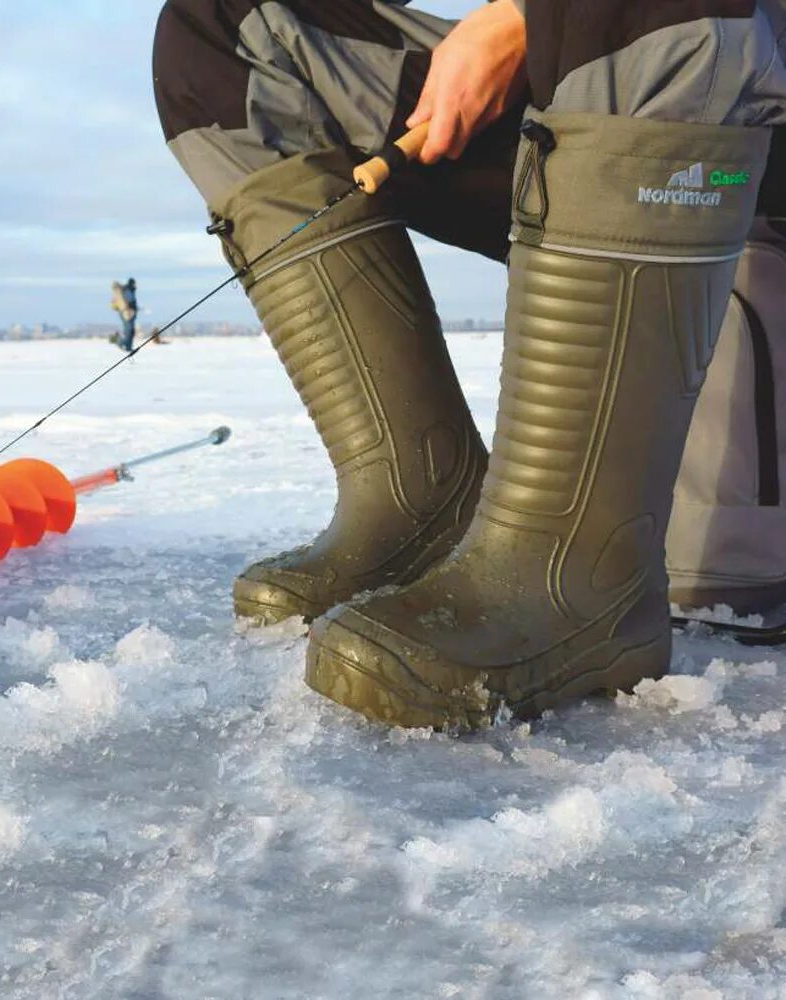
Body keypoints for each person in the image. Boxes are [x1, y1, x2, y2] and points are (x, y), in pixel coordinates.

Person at [153, 0, 786, 729]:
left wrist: (519, 15)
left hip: (730, 114)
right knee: (226, 30)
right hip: (588, 77)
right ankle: (423, 497)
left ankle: (578, 573)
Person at [111, 278, 138, 351]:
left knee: (130, 330)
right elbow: (130, 302)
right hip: (127, 312)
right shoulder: (128, 290)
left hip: (127, 312)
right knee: (129, 330)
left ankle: (128, 347)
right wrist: (133, 308)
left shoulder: (128, 290)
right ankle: (121, 343)